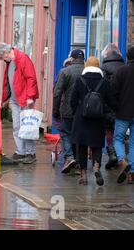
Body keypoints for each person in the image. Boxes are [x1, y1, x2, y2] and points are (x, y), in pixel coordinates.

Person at [70, 57, 117, 186]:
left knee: (82, 146)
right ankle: (96, 167)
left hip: (82, 118)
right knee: (96, 145)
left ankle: (84, 175)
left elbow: (72, 101)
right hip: (98, 119)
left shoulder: (79, 81)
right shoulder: (104, 82)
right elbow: (111, 102)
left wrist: (77, 113)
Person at [0, 42, 39, 164]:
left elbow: (31, 78)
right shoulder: (10, 62)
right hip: (14, 99)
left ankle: (30, 152)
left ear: (5, 53)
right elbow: (8, 81)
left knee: (27, 126)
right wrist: (5, 98)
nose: (1, 60)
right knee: (17, 126)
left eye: (1, 57)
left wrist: (30, 97)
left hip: (24, 98)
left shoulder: (22, 58)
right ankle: (20, 151)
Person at [53, 49, 85, 174]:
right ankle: (78, 163)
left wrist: (55, 110)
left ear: (71, 58)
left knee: (65, 133)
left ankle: (70, 157)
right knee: (79, 136)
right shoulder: (88, 71)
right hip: (85, 110)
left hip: (67, 110)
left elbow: (57, 93)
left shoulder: (65, 72)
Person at [111, 46, 134, 184]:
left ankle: (121, 160)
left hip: (122, 113)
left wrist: (116, 107)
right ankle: (132, 174)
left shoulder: (121, 71)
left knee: (118, 139)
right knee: (133, 142)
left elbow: (113, 92)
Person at [100, 43, 125, 170]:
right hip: (123, 105)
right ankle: (121, 156)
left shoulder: (104, 68)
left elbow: (102, 87)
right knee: (120, 131)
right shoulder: (124, 67)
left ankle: (112, 155)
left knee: (109, 130)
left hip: (108, 104)